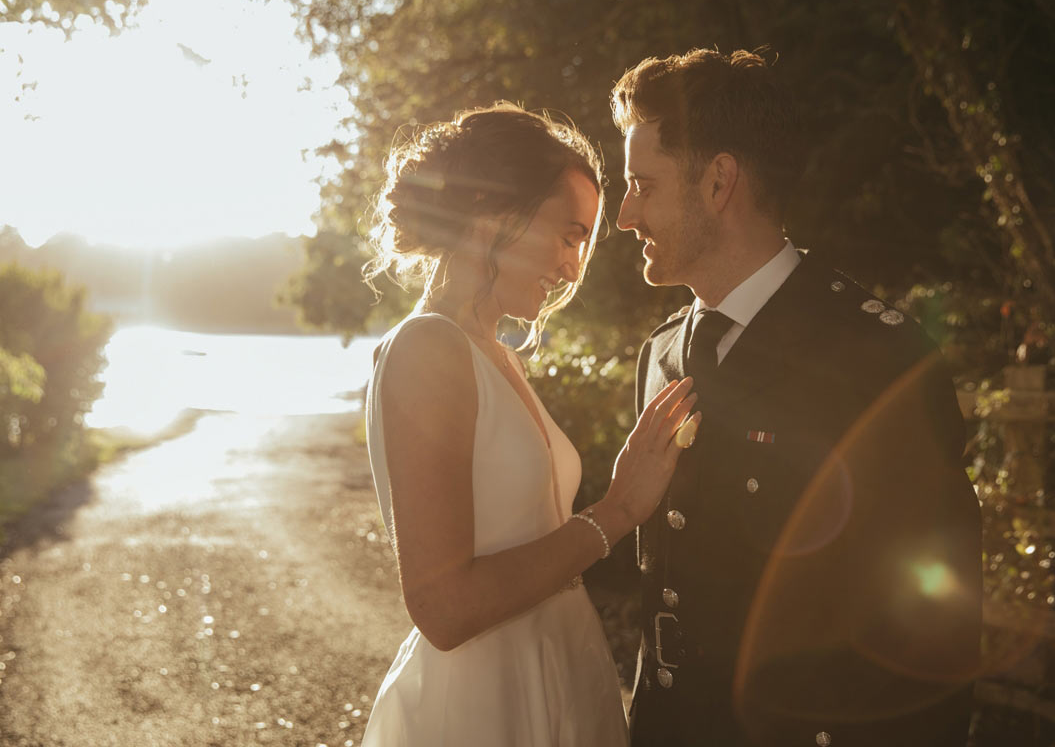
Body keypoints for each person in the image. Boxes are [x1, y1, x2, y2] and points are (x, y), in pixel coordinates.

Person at [611, 48, 983, 746]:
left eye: (643, 185)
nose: (625, 215)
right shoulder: (659, 353)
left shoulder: (879, 358)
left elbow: (937, 632)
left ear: (720, 181)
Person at [361, 102, 699, 746]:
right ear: (492, 211)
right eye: (569, 234)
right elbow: (444, 608)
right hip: (485, 704)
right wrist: (618, 510)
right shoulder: (427, 348)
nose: (574, 267)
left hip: (560, 668)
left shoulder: (497, 354)